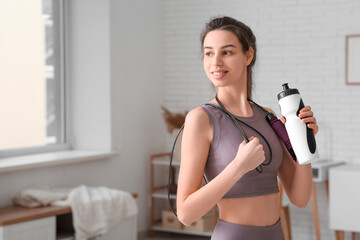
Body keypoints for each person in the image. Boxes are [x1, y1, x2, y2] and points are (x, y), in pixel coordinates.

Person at [176, 16, 318, 240]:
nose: (216, 63)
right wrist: (238, 167)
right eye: (209, 53)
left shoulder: (268, 116)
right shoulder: (201, 119)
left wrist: (303, 139)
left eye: (227, 52)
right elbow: (185, 213)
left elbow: (300, 198)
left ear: (248, 55)